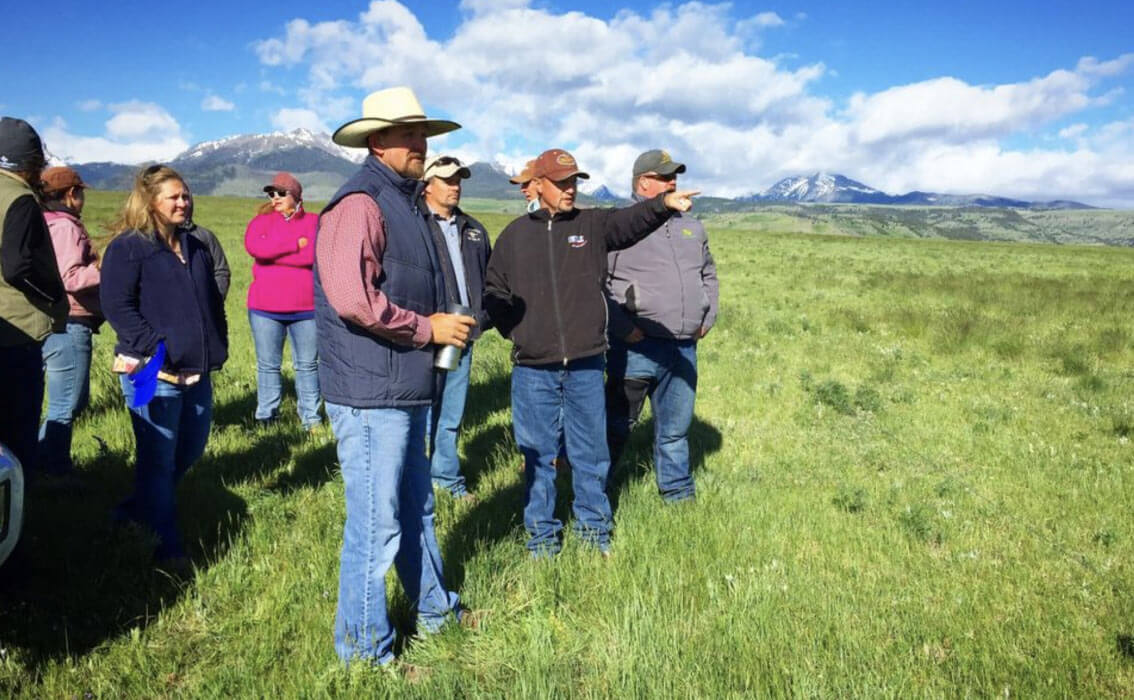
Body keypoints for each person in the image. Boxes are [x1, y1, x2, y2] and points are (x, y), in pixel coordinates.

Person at [315, 86, 477, 666]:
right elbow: (353, 300)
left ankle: (434, 613)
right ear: (377, 141)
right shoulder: (360, 204)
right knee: (377, 525)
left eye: (423, 133)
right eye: (409, 134)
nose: (421, 142)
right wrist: (426, 330)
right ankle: (363, 654)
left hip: (401, 387)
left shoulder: (403, 202)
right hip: (369, 393)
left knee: (417, 508)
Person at [484, 148, 697, 557]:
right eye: (561, 183)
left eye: (574, 181)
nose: (570, 189)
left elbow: (629, 223)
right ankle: (542, 540)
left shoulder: (592, 224)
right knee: (539, 458)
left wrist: (663, 205)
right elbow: (496, 291)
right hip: (532, 369)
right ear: (539, 185)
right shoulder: (514, 235)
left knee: (590, 454)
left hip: (584, 363)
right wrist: (519, 333)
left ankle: (594, 534)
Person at [100, 165, 228, 568]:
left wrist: (215, 341)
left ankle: (132, 513)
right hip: (151, 374)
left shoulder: (195, 245)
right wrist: (156, 347)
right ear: (150, 201)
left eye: (185, 195)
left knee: (188, 451)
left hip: (197, 370)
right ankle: (166, 546)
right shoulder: (129, 247)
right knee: (157, 458)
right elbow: (117, 306)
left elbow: (210, 299)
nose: (182, 202)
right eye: (173, 196)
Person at [605, 150, 718, 503]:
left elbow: (708, 273)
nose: (673, 183)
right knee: (617, 425)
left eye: (675, 177)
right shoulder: (621, 225)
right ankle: (595, 491)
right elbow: (597, 283)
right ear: (643, 182)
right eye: (665, 177)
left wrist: (707, 316)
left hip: (683, 346)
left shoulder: (691, 226)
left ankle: (678, 495)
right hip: (637, 344)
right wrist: (623, 327)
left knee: (675, 429)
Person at [420, 155, 492, 500]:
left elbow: (491, 281)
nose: (455, 186)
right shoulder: (414, 225)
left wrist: (483, 317)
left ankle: (446, 480)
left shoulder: (474, 230)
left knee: (451, 412)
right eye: (447, 180)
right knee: (420, 410)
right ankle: (417, 482)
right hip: (423, 334)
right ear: (428, 184)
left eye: (459, 180)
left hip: (463, 334)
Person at [0, 117, 67, 474]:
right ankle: (18, 519)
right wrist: (52, 298)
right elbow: (17, 267)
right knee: (17, 431)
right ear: (28, 163)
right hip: (15, 332)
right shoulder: (20, 199)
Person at [37, 166, 103, 478]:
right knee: (69, 402)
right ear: (71, 194)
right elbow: (71, 277)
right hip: (72, 318)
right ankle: (53, 469)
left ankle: (39, 463)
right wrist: (107, 268)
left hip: (51, 318)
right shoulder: (65, 227)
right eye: (81, 192)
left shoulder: (42, 222)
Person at [244, 172, 321, 428]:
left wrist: (274, 253)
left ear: (296, 196)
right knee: (268, 365)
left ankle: (311, 418)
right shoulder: (260, 222)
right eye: (271, 193)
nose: (274, 198)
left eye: (280, 193)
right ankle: (266, 416)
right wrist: (294, 245)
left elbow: (313, 256)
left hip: (307, 309)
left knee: (307, 365)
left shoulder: (315, 222)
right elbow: (256, 249)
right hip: (265, 309)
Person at [183, 186, 231, 301]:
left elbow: (221, 270)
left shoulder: (205, 236)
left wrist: (215, 300)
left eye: (185, 198)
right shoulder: (154, 238)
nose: (182, 204)